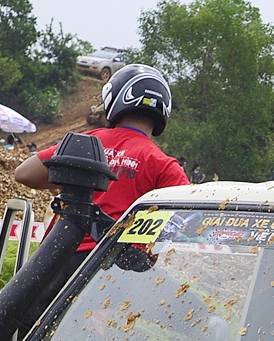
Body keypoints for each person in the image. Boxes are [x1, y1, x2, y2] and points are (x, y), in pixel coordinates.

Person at [13, 64, 189, 250]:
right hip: (119, 268)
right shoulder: (163, 164)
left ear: (115, 98)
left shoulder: (86, 142)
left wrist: (72, 180)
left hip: (62, 258)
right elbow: (189, 218)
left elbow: (24, 173)